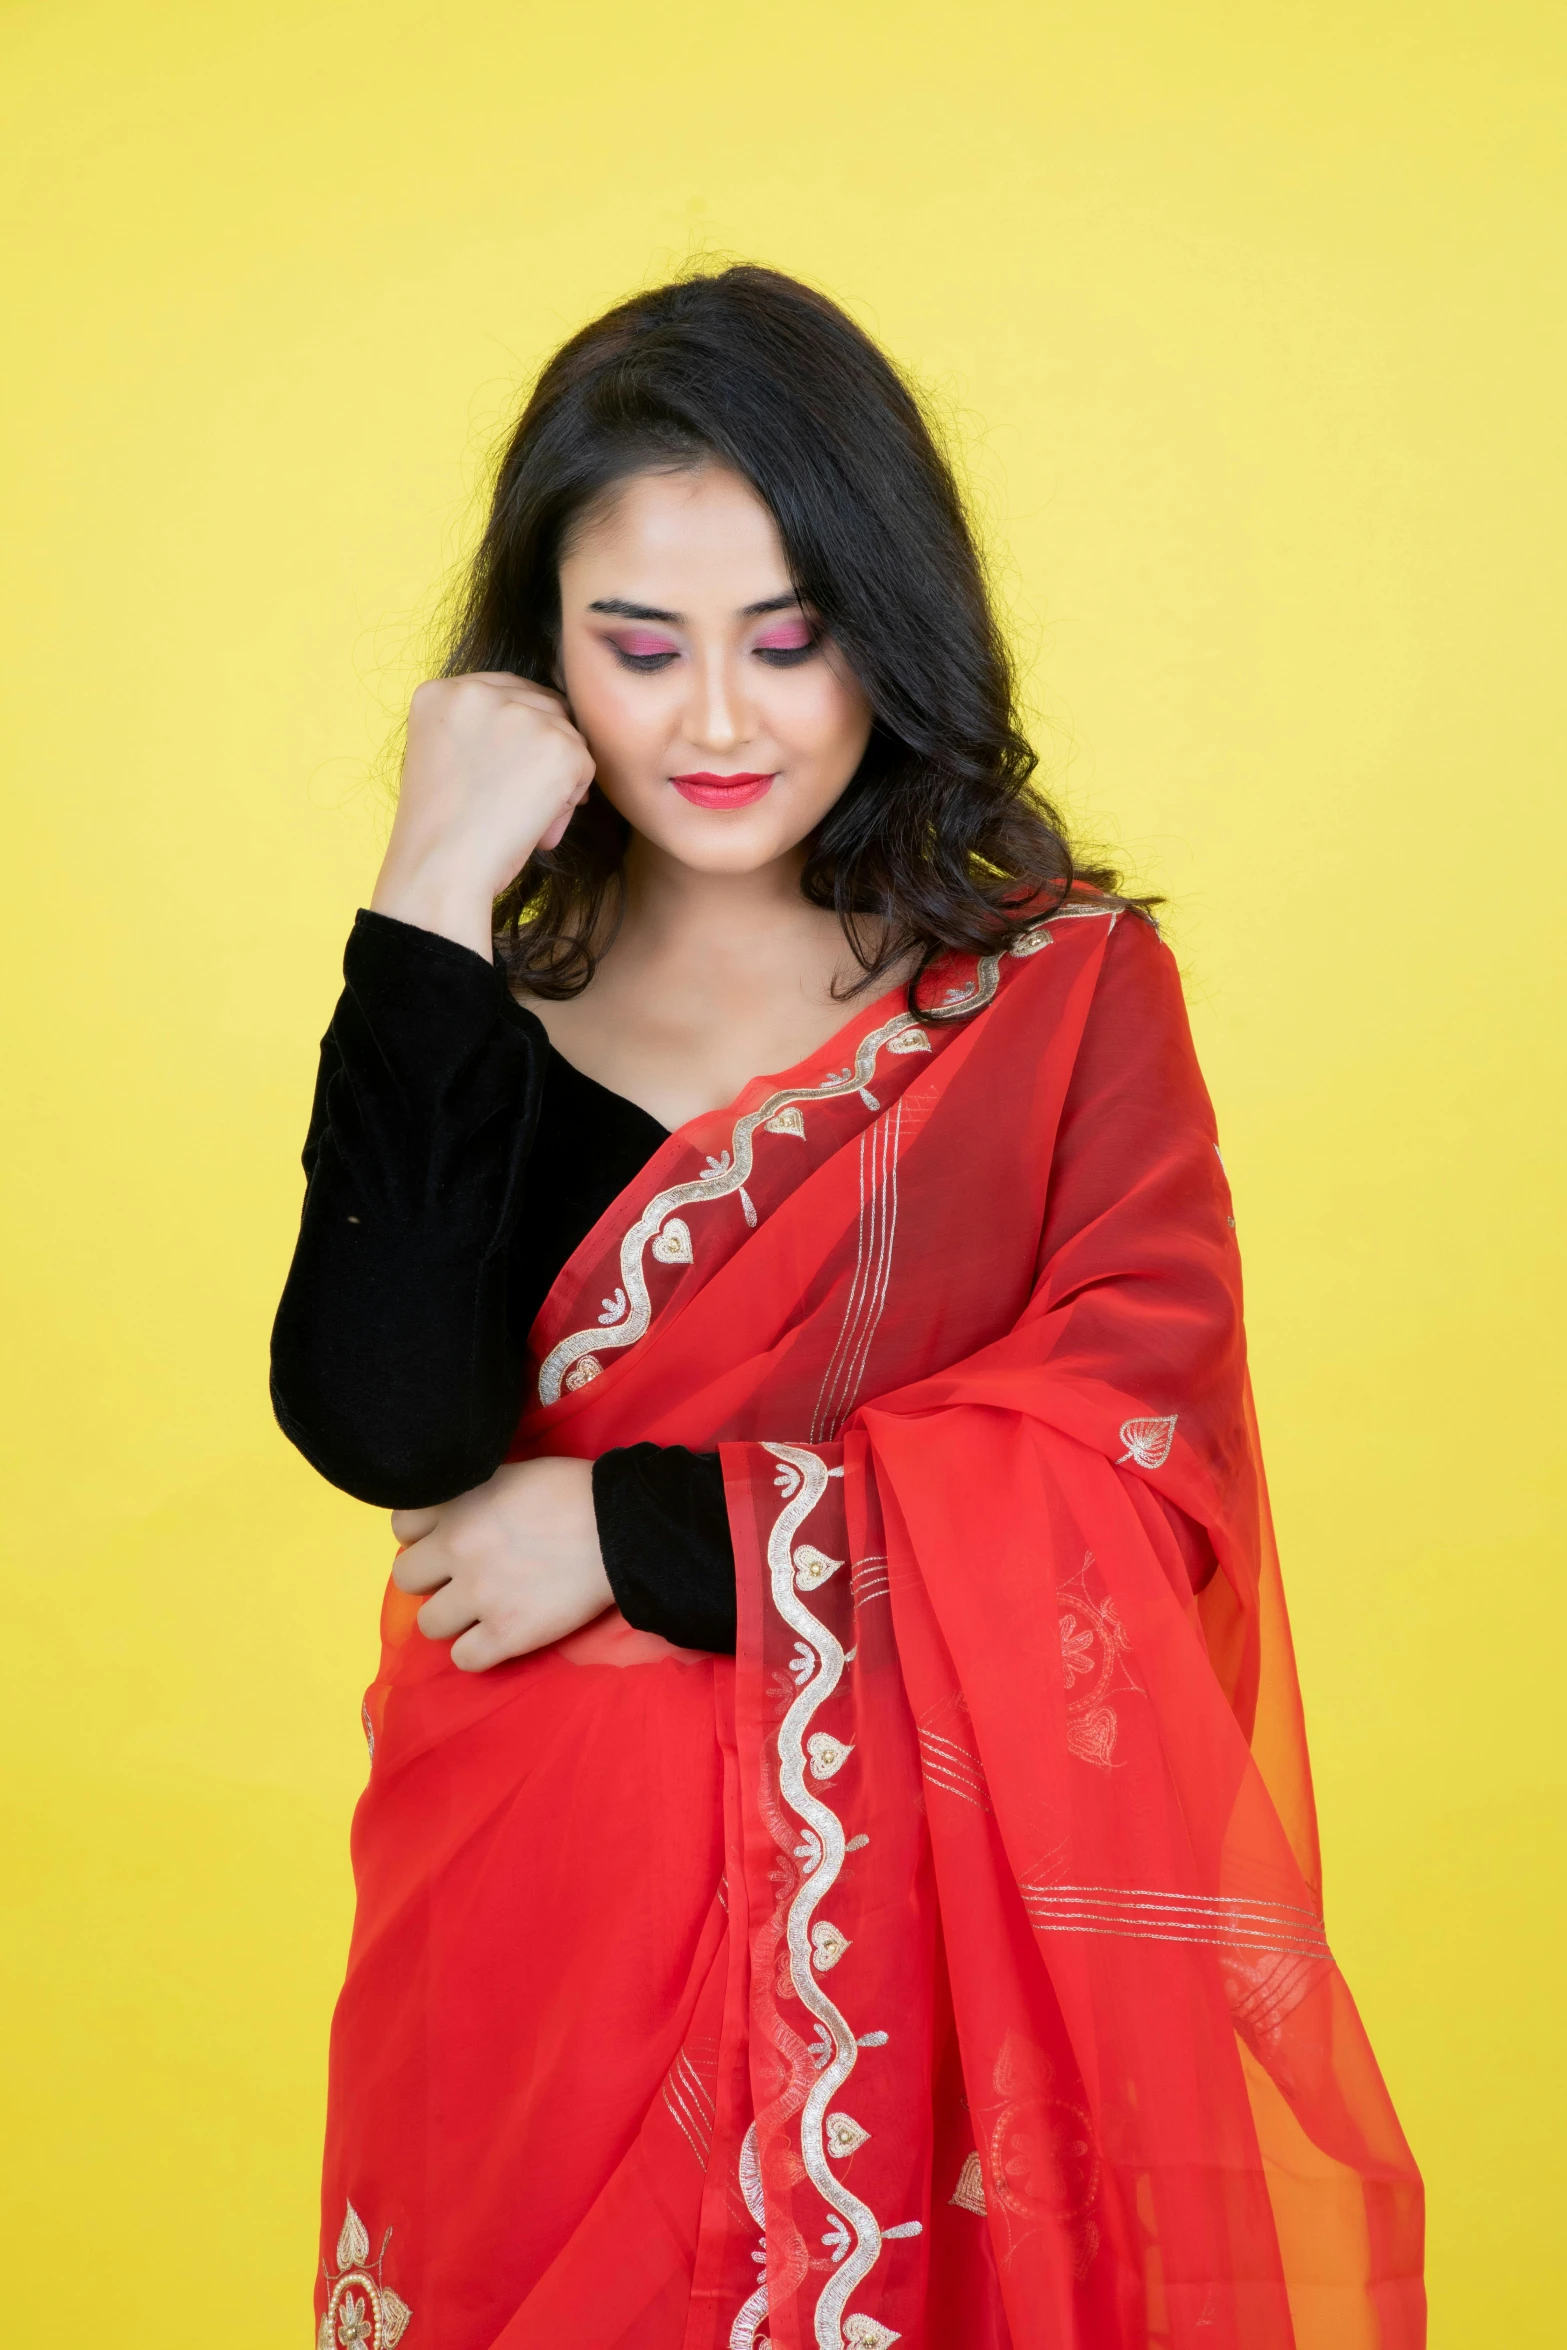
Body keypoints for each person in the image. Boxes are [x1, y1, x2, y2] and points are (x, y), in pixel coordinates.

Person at [273, 267, 1423, 2350]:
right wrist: (427, 886)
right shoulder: (481, 1010)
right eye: (639, 648)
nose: (718, 720)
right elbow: (385, 1426)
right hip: (536, 1943)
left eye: (788, 641)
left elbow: (1140, 1485)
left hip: (940, 1957)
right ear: (542, 664)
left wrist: (633, 1530)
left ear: (889, 629)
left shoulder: (1056, 1002)